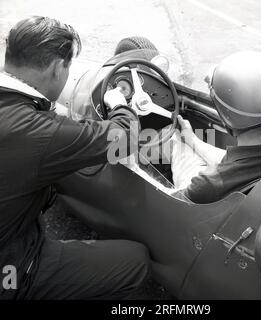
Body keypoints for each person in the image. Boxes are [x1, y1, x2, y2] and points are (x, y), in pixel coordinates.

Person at [0, 16, 149, 300]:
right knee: (136, 260)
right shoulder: (39, 133)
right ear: (59, 67)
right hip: (10, 269)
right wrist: (119, 102)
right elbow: (124, 138)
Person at [170, 51, 261, 203]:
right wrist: (192, 140)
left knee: (174, 141)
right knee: (185, 144)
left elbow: (167, 201)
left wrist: (133, 166)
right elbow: (235, 166)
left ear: (227, 115)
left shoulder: (207, 185)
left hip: (192, 206)